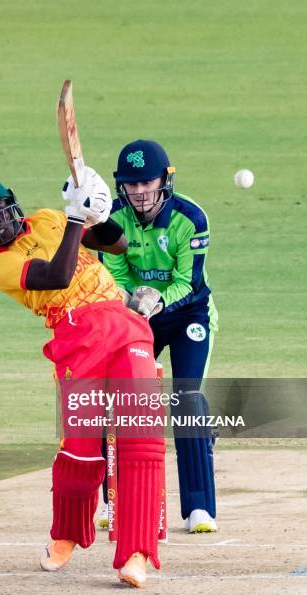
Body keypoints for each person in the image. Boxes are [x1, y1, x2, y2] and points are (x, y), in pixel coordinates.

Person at [0, 168, 166, 588]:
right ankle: (66, 536)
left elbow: (117, 244)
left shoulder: (48, 218)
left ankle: (137, 554)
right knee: (80, 450)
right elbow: (58, 276)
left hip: (125, 325)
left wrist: (96, 211)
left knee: (142, 440)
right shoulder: (3, 266)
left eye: (1, 209)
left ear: (12, 202)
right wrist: (75, 219)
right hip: (76, 338)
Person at [99, 140, 219, 533]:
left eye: (147, 182)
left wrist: (158, 299)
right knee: (117, 397)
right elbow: (113, 274)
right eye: (130, 185)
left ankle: (199, 508)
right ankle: (110, 499)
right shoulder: (112, 219)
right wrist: (132, 301)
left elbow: (189, 281)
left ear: (165, 180)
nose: (138, 192)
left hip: (187, 312)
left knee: (186, 398)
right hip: (136, 313)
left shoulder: (190, 218)